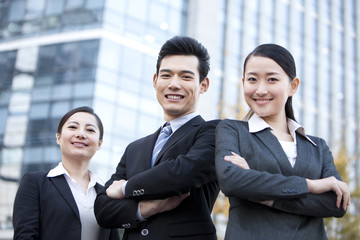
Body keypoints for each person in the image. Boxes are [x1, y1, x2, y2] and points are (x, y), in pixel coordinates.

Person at [215, 43, 350, 240]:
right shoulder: (232, 130)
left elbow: (336, 204)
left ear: (292, 86)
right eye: (252, 79)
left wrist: (262, 194)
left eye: (271, 79)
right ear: (243, 82)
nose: (260, 90)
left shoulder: (317, 147)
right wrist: (311, 186)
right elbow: (231, 180)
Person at [94, 36, 219, 240]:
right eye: (166, 75)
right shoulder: (135, 148)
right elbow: (102, 209)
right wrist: (145, 208)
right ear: (155, 81)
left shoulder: (214, 132)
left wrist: (126, 188)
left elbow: (182, 173)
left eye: (186, 77)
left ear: (203, 85)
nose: (174, 84)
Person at [13, 106, 119, 240]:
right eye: (73, 127)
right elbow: (25, 236)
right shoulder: (35, 183)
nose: (81, 134)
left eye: (90, 130)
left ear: (99, 143)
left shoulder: (106, 193)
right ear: (58, 138)